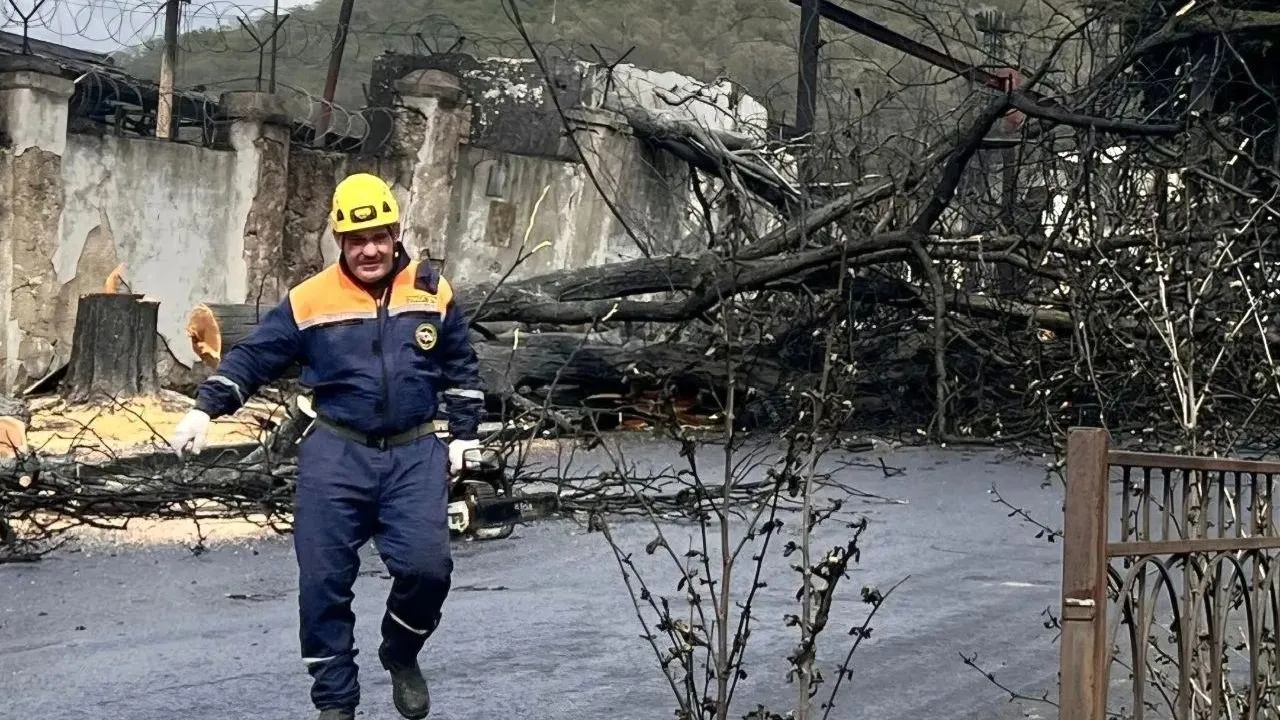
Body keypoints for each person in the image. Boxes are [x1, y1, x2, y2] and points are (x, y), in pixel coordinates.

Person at [168, 172, 486, 720]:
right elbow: (254, 356)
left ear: (395, 234)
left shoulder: (432, 290)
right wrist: (205, 408)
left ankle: (401, 650)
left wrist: (464, 434)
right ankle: (335, 704)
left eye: (379, 237)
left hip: (414, 454)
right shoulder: (309, 299)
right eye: (356, 240)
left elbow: (459, 366)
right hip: (336, 454)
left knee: (428, 571)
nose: (369, 250)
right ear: (339, 240)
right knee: (322, 584)